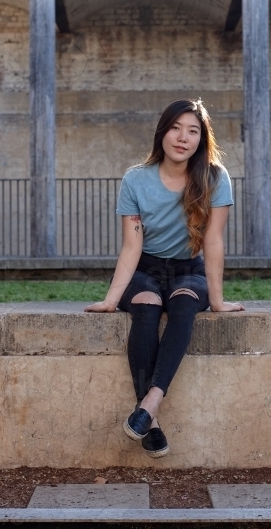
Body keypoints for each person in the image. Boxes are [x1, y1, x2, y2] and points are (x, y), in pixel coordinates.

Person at [84, 99, 245, 458]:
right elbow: (131, 247)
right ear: (162, 132)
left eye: (193, 131)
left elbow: (214, 241)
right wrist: (112, 299)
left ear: (202, 139)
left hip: (189, 269)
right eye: (176, 128)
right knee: (147, 305)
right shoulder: (135, 180)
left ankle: (150, 402)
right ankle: (150, 423)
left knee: (185, 302)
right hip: (146, 270)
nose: (182, 137)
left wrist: (217, 302)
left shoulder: (216, 179)